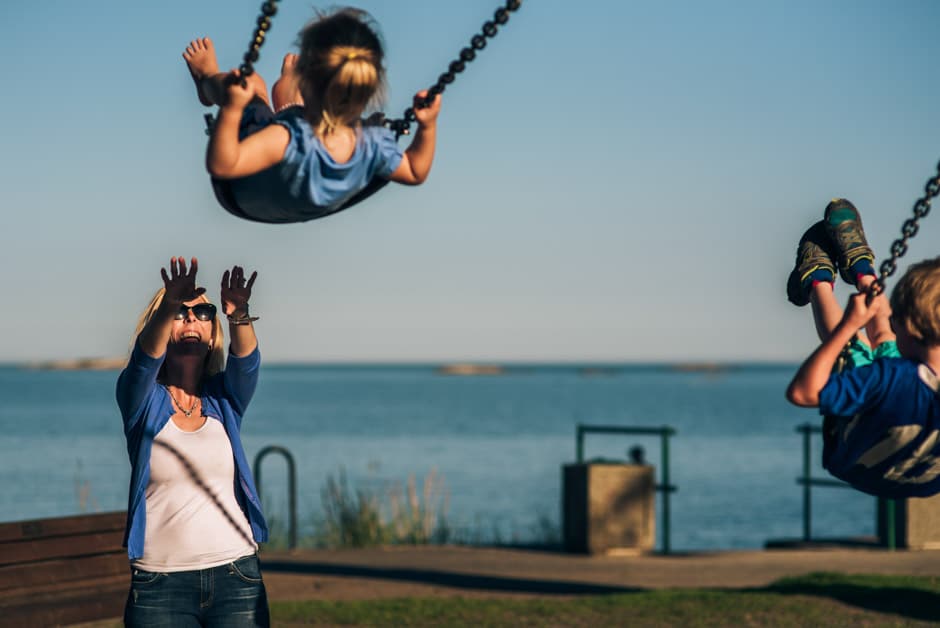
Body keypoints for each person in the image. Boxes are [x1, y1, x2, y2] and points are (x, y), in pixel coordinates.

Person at [116, 257, 270, 627]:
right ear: (163, 325)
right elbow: (142, 363)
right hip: (159, 583)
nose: (192, 319)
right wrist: (170, 302)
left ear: (213, 331)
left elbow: (246, 362)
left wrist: (240, 314)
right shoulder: (142, 401)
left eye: (203, 312)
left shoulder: (224, 400)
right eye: (182, 313)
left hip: (237, 575)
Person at [182, 7, 442, 224]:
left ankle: (206, 79)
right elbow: (416, 171)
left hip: (252, 187)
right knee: (289, 107)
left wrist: (231, 109)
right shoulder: (375, 145)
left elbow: (223, 165)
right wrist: (427, 127)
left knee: (251, 86)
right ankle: (288, 91)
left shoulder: (286, 140)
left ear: (306, 81)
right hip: (298, 190)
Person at [785, 198, 940, 498]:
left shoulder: (888, 380)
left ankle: (818, 277)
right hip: (925, 479)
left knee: (853, 347)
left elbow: (802, 393)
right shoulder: (896, 375)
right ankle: (860, 267)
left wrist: (847, 326)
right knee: (884, 341)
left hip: (857, 457)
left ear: (907, 327)